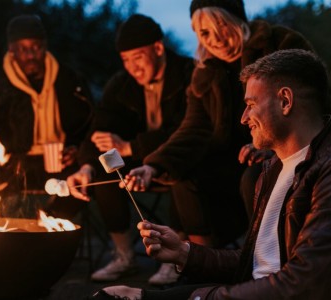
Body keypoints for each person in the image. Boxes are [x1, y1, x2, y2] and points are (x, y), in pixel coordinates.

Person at [90, 48, 331, 300]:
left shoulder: (325, 171)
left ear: (285, 101)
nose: (243, 118)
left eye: (250, 105)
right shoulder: (273, 169)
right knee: (114, 294)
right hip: (251, 290)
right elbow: (257, 261)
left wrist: (204, 297)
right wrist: (185, 253)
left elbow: (302, 283)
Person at [121, 0, 313, 253]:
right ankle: (201, 263)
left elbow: (310, 103)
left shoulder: (280, 45)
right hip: (228, 162)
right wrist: (153, 165)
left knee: (255, 178)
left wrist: (273, 147)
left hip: (285, 153)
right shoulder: (204, 73)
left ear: (237, 20)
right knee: (185, 179)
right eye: (204, 32)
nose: (215, 38)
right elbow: (193, 129)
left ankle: (270, 263)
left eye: (220, 24)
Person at [66, 14, 194, 284]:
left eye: (138, 57)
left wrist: (129, 146)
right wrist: (87, 165)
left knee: (181, 172)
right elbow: (99, 126)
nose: (132, 67)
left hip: (177, 156)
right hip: (135, 160)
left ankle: (175, 256)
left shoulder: (188, 73)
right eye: (125, 59)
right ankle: (124, 255)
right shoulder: (121, 84)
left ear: (158, 48)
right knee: (104, 174)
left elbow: (187, 131)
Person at [0, 15, 93, 218]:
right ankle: (13, 233)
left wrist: (76, 148)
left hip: (61, 161)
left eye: (36, 47)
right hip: (17, 162)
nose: (31, 55)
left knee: (82, 182)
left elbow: (89, 122)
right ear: (12, 51)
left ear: (45, 46)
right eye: (23, 49)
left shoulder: (69, 80)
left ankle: (52, 225)